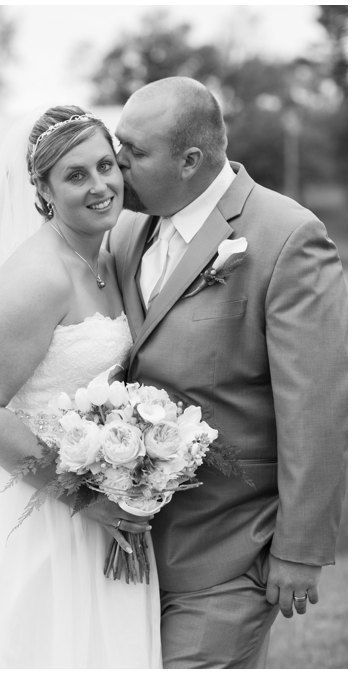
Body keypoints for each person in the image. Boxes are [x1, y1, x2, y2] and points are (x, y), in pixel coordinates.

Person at [0, 107, 161, 668]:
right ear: (42, 190)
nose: (100, 186)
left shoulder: (106, 256)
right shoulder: (37, 277)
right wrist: (83, 497)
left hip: (102, 490)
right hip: (38, 506)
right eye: (75, 175)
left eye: (105, 165)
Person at [107, 76, 347, 668]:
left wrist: (300, 550)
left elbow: (316, 404)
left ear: (190, 160)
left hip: (232, 549)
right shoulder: (128, 229)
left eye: (133, 152)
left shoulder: (288, 237)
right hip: (123, 550)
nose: (116, 164)